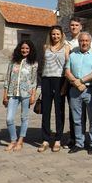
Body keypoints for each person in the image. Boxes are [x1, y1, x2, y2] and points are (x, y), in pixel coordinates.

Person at [63, 16, 92, 149]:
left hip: (90, 90)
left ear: (90, 42)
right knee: (77, 119)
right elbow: (67, 71)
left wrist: (82, 81)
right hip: (74, 90)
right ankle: (79, 143)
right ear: (78, 42)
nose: (84, 43)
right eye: (82, 41)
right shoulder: (72, 55)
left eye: (86, 41)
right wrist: (76, 83)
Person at [38, 25, 70, 153]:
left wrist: (65, 84)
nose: (55, 36)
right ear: (50, 35)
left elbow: (68, 65)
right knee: (45, 110)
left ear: (62, 35)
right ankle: (45, 139)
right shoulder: (46, 47)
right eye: (53, 34)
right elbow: (44, 65)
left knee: (59, 110)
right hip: (46, 80)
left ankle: (58, 139)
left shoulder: (66, 47)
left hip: (60, 80)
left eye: (57, 34)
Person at [2, 40, 38, 152]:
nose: (25, 50)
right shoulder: (13, 62)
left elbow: (33, 81)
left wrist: (33, 95)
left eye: (27, 48)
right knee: (9, 118)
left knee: (24, 118)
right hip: (13, 93)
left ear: (30, 50)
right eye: (23, 48)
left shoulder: (33, 63)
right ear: (19, 49)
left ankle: (20, 140)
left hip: (26, 93)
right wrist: (4, 95)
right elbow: (7, 78)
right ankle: (13, 140)